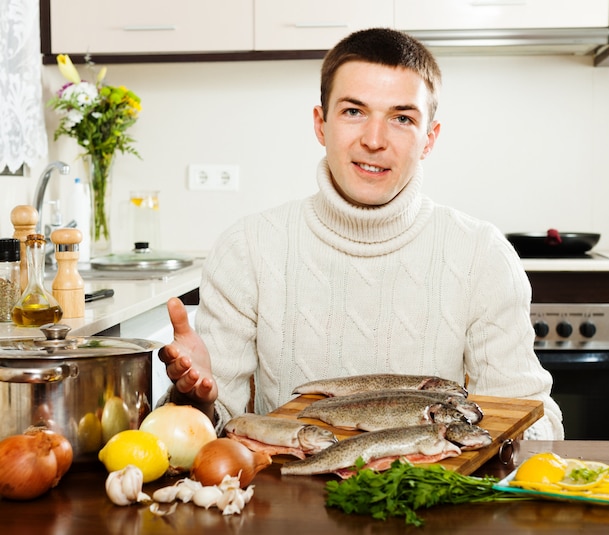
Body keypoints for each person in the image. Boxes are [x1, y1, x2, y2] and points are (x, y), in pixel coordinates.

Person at [159, 27, 564, 440]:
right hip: (288, 496)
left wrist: (504, 438)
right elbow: (214, 427)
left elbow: (536, 420)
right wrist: (195, 398)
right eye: (354, 111)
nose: (374, 140)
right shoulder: (247, 248)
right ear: (321, 124)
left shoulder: (482, 254)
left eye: (402, 118)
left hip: (432, 497)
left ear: (430, 139)